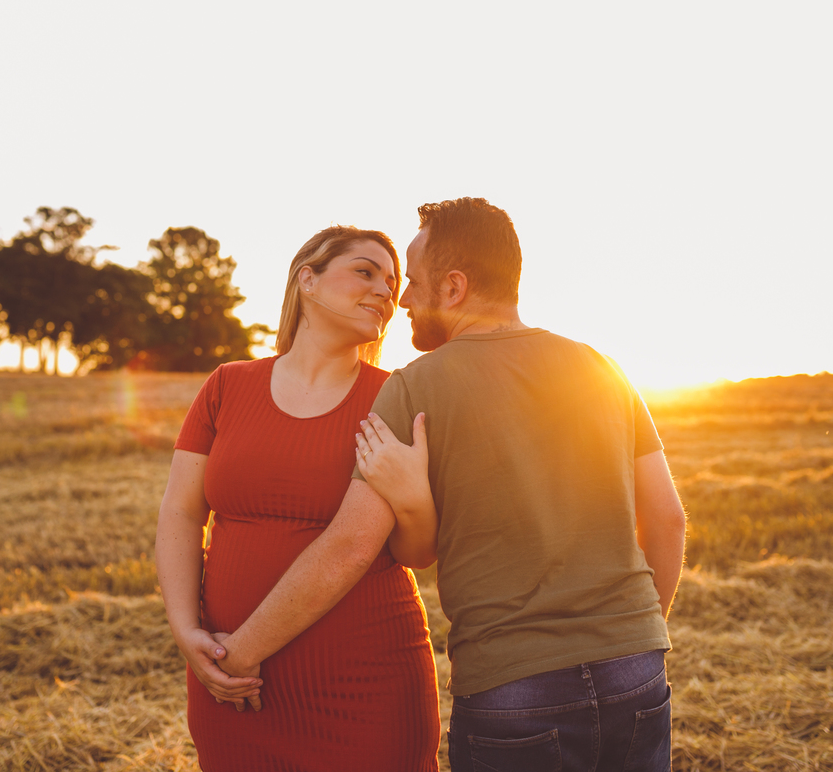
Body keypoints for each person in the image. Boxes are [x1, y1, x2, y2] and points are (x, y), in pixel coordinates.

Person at [214, 198, 688, 772]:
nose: (402, 299)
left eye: (412, 282)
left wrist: (237, 652)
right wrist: (635, 637)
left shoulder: (414, 389)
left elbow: (351, 545)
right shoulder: (601, 367)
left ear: (455, 287)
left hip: (513, 687)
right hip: (636, 670)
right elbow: (666, 520)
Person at [154, 226, 440, 772]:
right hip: (228, 681)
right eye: (365, 271)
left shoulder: (393, 396)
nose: (386, 289)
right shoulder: (226, 385)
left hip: (361, 682)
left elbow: (371, 547)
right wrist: (187, 633)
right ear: (306, 279)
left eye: (392, 279)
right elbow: (182, 512)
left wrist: (242, 652)